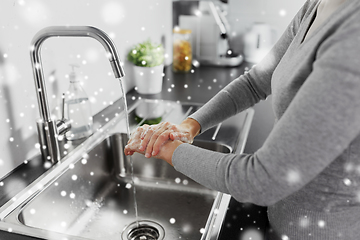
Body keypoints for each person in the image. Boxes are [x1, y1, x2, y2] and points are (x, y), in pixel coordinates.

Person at [125, 0, 360, 239]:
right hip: (283, 221)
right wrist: (189, 126)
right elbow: (255, 81)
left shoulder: (353, 38)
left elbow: (261, 180)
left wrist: (165, 147)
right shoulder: (317, 4)